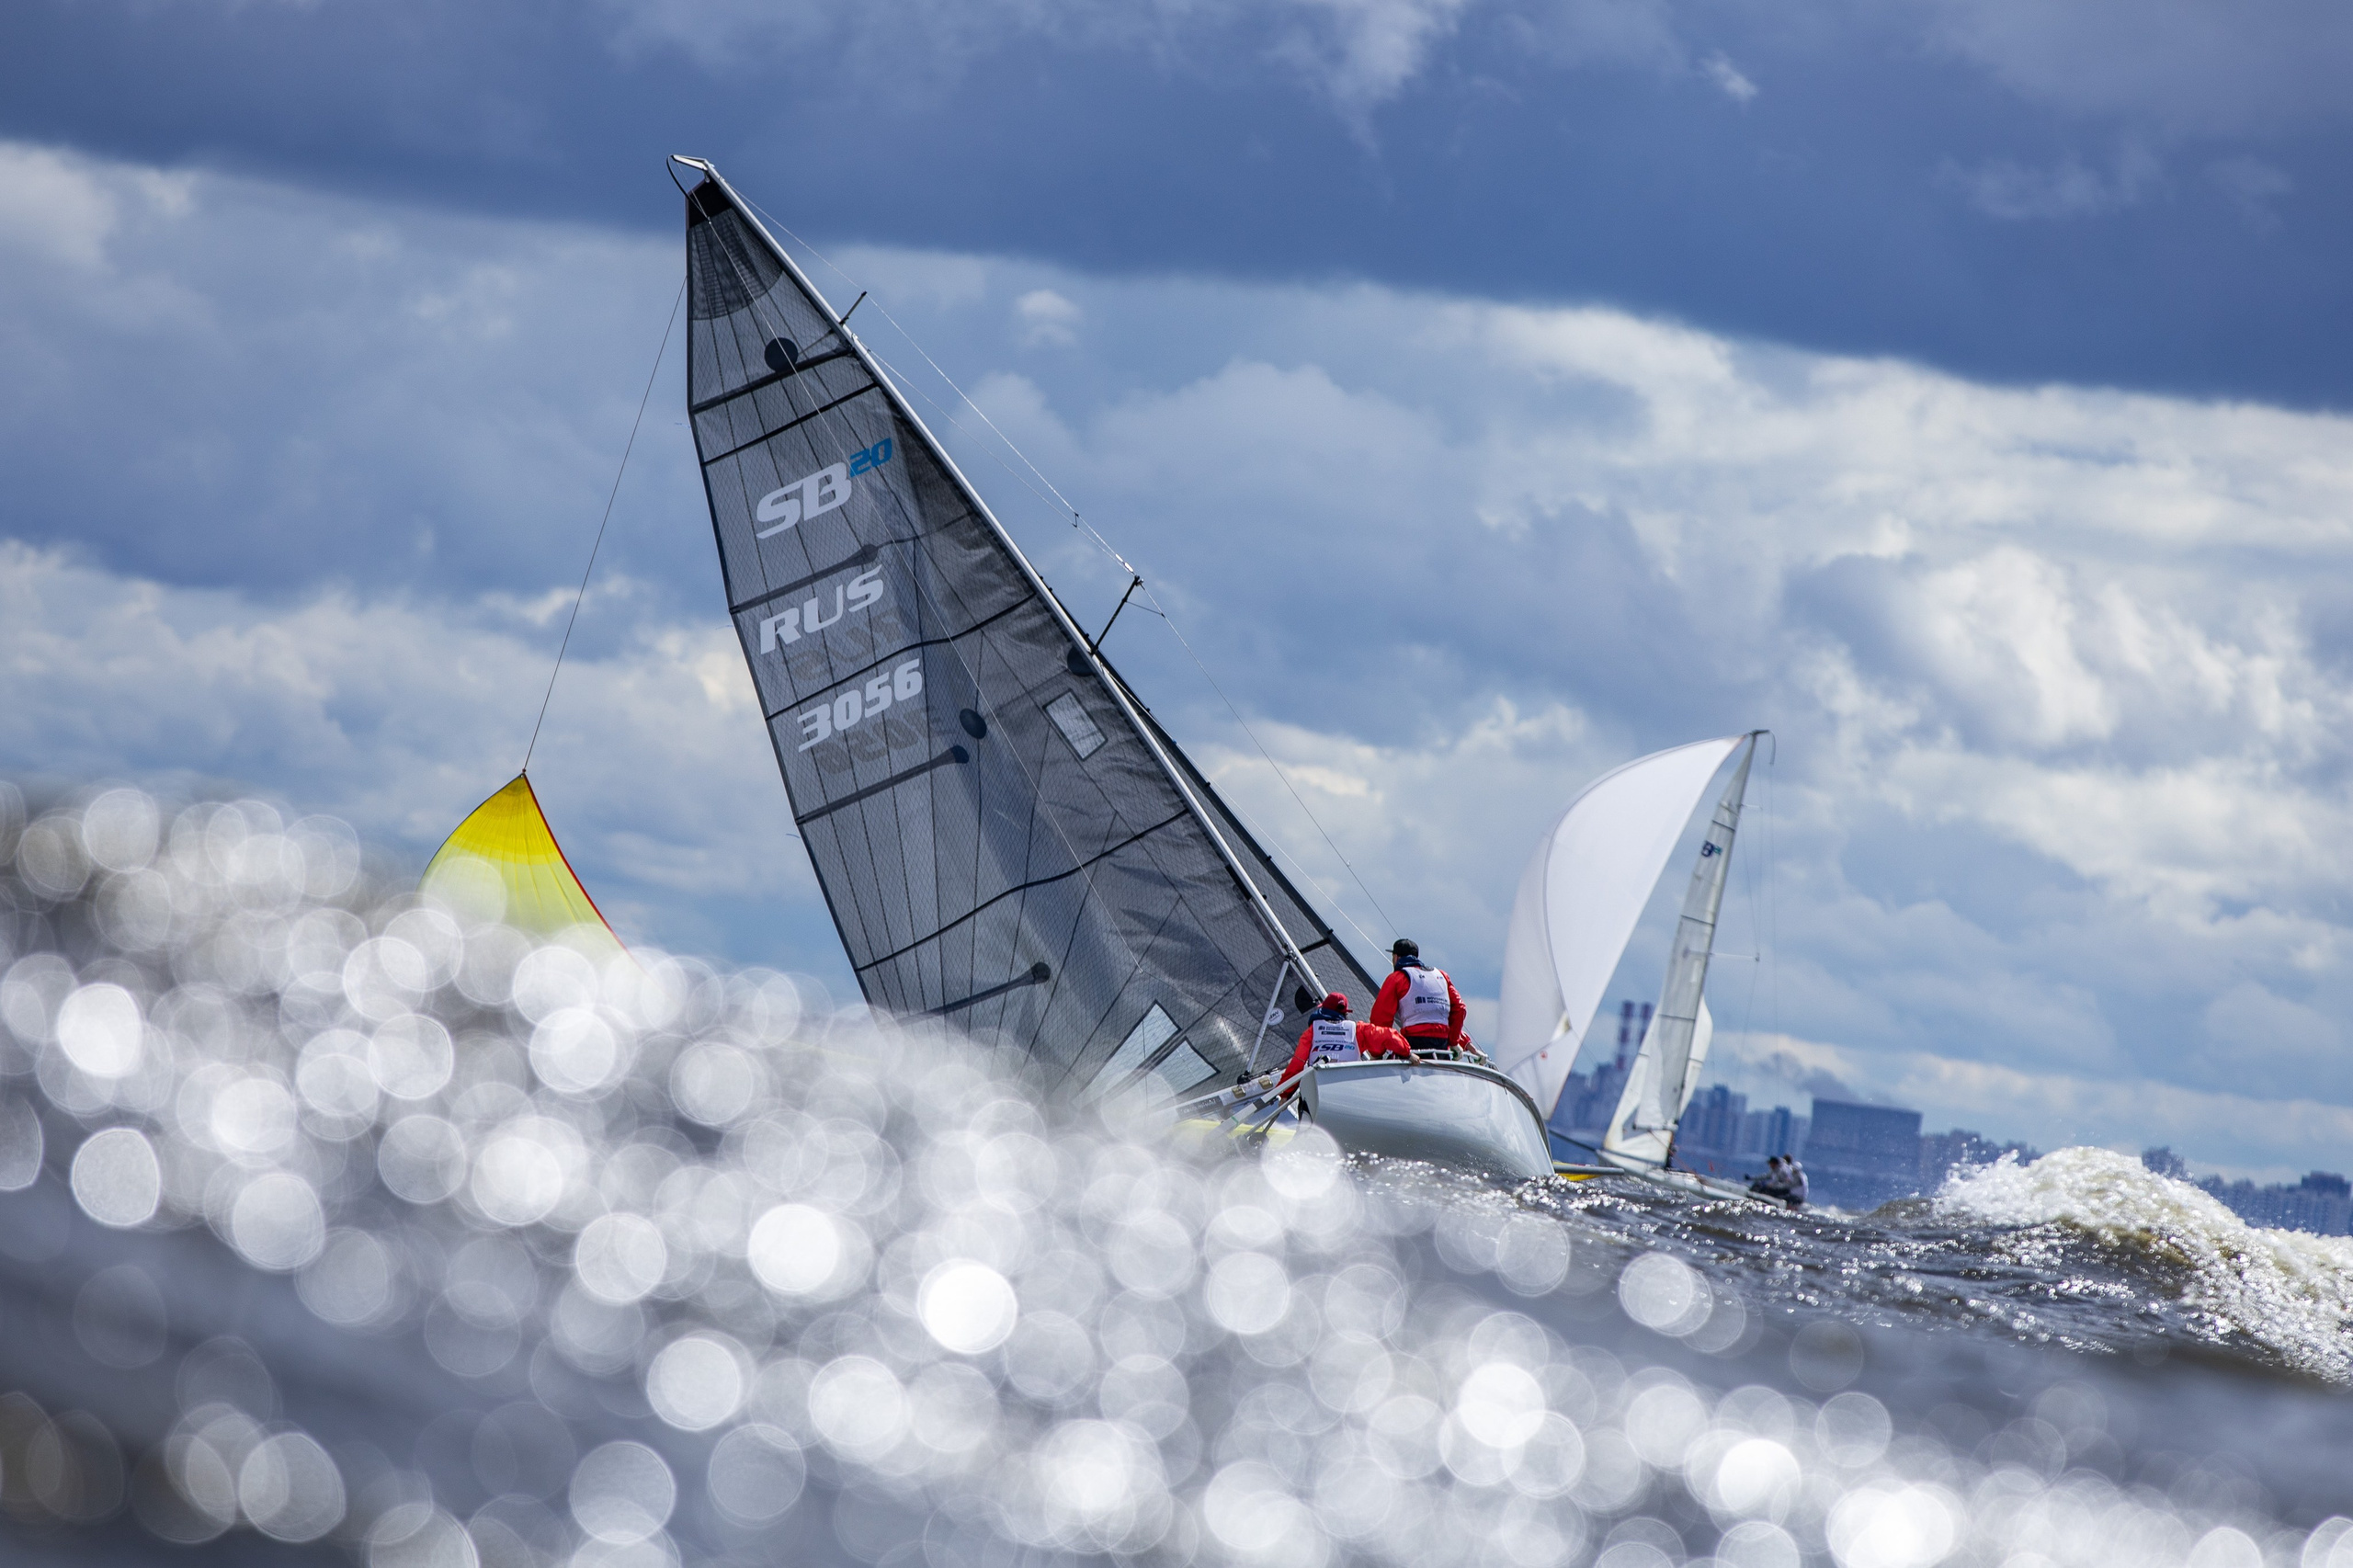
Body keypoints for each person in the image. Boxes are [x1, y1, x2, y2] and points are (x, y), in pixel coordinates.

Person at [1279, 991, 1410, 1089]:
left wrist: (1284, 1093)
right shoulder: (1357, 1029)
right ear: (1345, 1013)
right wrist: (1407, 1053)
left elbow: (1297, 1064)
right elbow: (1387, 1035)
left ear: (1323, 1009)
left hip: (1318, 1087)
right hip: (1349, 1089)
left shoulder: (1312, 1031)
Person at [1370, 937, 1466, 1055]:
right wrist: (1453, 1041)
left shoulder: (1397, 978)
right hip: (1442, 1046)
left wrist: (1377, 1053)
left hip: (1413, 1044)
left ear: (1396, 957)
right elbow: (1460, 1008)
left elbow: (1380, 1018)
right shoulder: (1442, 976)